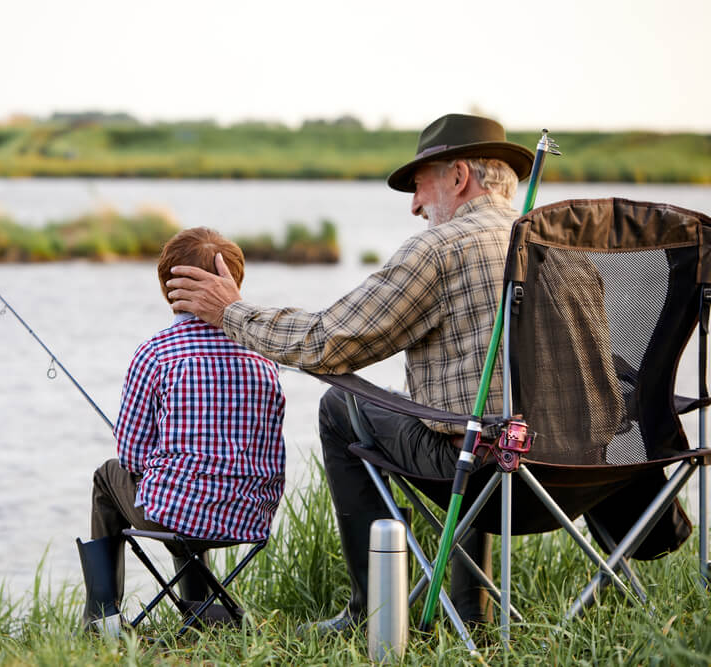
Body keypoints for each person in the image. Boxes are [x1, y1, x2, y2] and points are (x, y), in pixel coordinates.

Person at [165, 114, 535, 633]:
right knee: (481, 414)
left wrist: (232, 313)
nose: (413, 205)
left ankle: (375, 612)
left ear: (457, 178)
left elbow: (328, 342)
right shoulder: (558, 246)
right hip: (577, 474)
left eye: (418, 185)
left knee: (344, 406)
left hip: (482, 471)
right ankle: (474, 612)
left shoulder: (440, 247)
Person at [76, 226, 286, 635]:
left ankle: (101, 617)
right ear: (233, 283)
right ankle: (203, 610)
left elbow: (132, 457)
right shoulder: (264, 356)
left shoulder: (157, 353)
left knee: (110, 476)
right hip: (250, 517)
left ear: (168, 287)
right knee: (183, 488)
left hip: (178, 517)